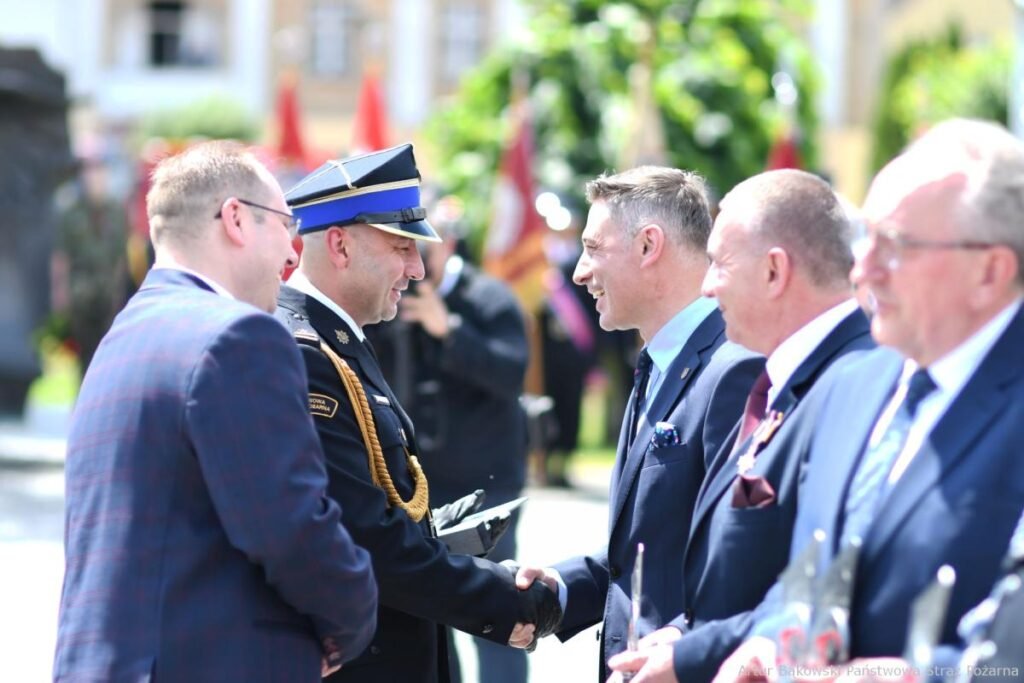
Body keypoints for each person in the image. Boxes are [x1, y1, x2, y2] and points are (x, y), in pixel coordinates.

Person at [703, 118, 1024, 683]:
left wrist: (915, 677)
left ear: (990, 271)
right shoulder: (850, 386)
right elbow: (817, 570)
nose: (864, 269)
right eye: (866, 238)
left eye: (896, 245)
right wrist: (769, 640)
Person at [53, 140, 378, 682]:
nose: (293, 253)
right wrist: (353, 624)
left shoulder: (121, 339)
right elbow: (293, 532)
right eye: (285, 225)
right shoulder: (238, 337)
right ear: (236, 219)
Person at [275, 143, 561, 683]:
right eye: (401, 247)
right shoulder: (305, 352)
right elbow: (366, 536)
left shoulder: (338, 338)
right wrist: (501, 600)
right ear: (339, 245)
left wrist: (441, 535)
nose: (416, 268)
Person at [606, 169, 875, 682]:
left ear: (774, 271)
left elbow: (829, 580)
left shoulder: (854, 381)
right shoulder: (795, 376)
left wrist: (691, 653)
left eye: (719, 264)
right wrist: (687, 636)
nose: (707, 286)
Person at [515, 166, 764, 681]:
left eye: (593, 248)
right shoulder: (659, 361)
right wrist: (562, 587)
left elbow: (744, 562)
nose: (579, 272)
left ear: (649, 245)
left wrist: (682, 648)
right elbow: (648, 549)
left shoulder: (733, 370)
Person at [365, 199, 532, 683]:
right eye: (402, 250)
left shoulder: (489, 298)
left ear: (449, 244)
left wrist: (451, 331)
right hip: (418, 491)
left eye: (423, 250)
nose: (414, 266)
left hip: (485, 484)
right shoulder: (391, 301)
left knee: (498, 610)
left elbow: (511, 373)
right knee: (431, 619)